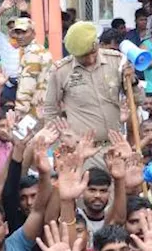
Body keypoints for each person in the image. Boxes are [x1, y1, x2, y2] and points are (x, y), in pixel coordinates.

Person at [43, 21, 138, 156]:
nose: (90, 59)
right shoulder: (61, 71)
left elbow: (138, 100)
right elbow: (50, 110)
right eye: (83, 56)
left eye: (92, 52)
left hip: (116, 146)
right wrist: (61, 143)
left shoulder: (116, 61)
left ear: (97, 44)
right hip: (83, 150)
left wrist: (132, 81)